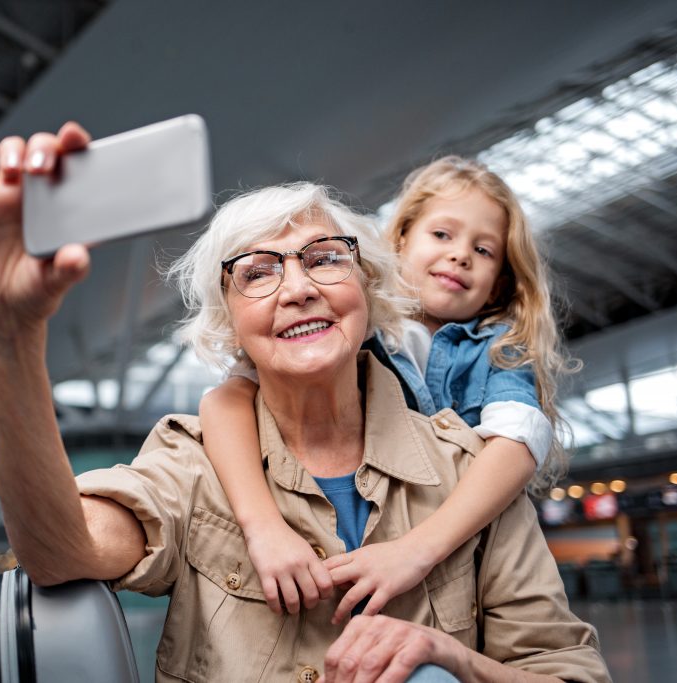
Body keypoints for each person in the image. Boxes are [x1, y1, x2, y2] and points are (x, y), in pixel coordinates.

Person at [0, 123, 610, 682]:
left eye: (326, 257)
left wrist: (447, 657)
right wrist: (10, 346)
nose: (297, 287)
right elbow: (63, 550)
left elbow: (566, 670)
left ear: (372, 294)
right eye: (258, 271)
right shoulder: (194, 463)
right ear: (228, 324)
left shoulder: (473, 473)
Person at [199, 156, 573, 621]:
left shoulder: (502, 349)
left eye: (485, 250)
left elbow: (518, 440)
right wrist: (262, 526)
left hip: (455, 557)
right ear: (399, 242)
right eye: (442, 234)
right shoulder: (354, 325)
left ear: (498, 285)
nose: (460, 254)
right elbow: (225, 398)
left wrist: (417, 550)